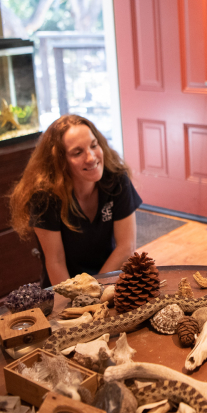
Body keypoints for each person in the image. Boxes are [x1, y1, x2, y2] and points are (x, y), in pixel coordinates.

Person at [9, 114, 141, 288]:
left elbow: (126, 246)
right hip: (64, 287)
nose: (91, 157)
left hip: (108, 279)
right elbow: (55, 261)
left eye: (94, 145)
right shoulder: (44, 197)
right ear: (60, 161)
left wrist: (95, 289)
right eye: (77, 152)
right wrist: (75, 302)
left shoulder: (116, 179)